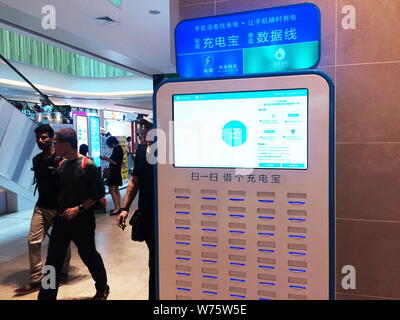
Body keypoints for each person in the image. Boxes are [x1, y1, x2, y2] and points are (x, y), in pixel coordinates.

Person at [38, 128, 109, 300]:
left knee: (88, 255)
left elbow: (98, 193)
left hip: (82, 220)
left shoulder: (87, 164)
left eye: (56, 143)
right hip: (62, 220)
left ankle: (102, 287)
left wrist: (78, 209)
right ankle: (45, 297)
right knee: (52, 261)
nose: (54, 146)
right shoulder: (62, 164)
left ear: (67, 145)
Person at [14, 124, 71, 296]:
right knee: (33, 241)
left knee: (62, 243)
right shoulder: (36, 160)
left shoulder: (62, 160)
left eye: (44, 137)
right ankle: (36, 279)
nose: (40, 140)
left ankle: (62, 273)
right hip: (41, 206)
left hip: (58, 208)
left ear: (52, 138)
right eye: (38, 137)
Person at [117, 112, 156, 300]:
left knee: (158, 260)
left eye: (148, 126)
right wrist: (124, 208)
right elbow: (134, 181)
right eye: (143, 126)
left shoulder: (169, 153)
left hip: (165, 216)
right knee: (153, 260)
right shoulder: (141, 151)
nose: (143, 129)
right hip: (146, 214)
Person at [101, 136, 123, 216]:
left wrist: (106, 158)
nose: (109, 147)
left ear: (112, 143)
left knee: (111, 189)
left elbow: (115, 162)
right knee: (116, 189)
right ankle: (118, 207)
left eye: (109, 145)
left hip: (114, 172)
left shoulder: (117, 149)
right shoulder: (119, 148)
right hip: (116, 171)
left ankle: (117, 208)